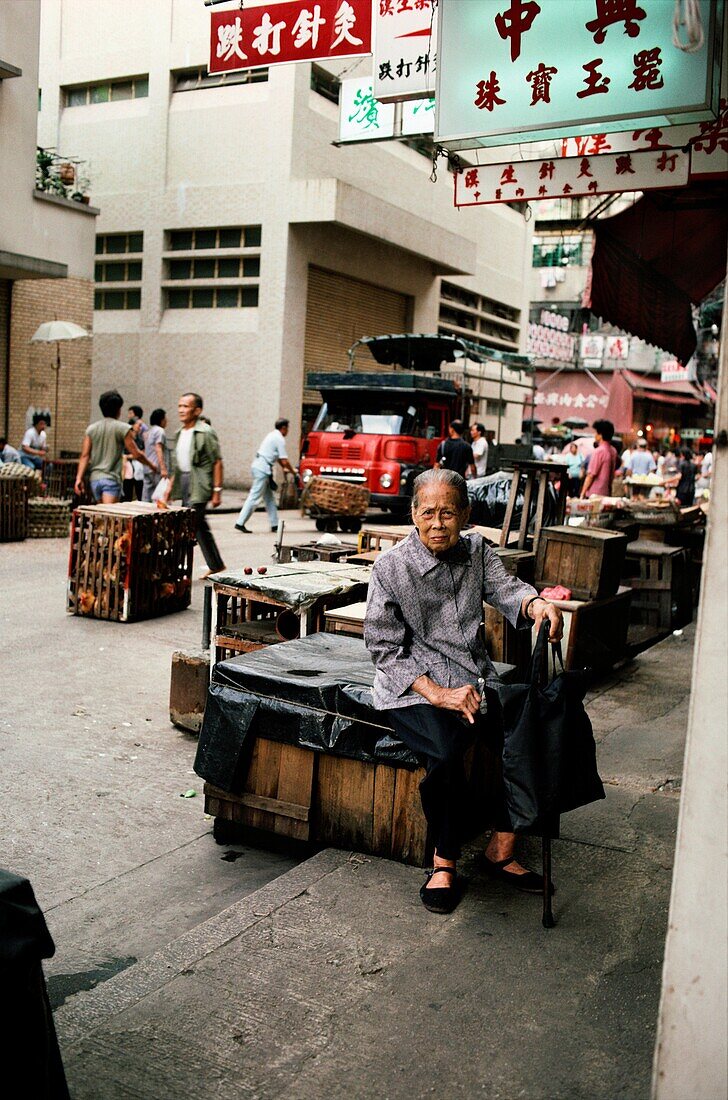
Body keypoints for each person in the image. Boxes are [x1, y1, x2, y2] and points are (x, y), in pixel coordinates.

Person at [364, 468, 563, 914]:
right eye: (429, 512)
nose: (438, 523)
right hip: (411, 687)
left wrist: (538, 605)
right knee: (446, 751)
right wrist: (436, 693)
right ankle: (444, 861)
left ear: (466, 515)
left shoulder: (477, 552)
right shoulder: (390, 567)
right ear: (413, 515)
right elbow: (383, 647)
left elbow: (508, 591)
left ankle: (502, 848)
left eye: (448, 512)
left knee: (533, 733)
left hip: (473, 679)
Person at [171, 392, 225, 576]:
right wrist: (169, 489)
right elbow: (178, 465)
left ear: (197, 410)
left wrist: (217, 490)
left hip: (200, 485)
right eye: (180, 406)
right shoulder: (179, 433)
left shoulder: (205, 432)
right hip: (185, 482)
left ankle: (173, 568)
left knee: (186, 526)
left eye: (186, 406)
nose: (181, 410)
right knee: (199, 527)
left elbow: (217, 461)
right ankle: (216, 565)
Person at [74, 390, 154, 504]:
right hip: (111, 479)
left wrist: (78, 478)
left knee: (101, 517)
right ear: (118, 409)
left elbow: (85, 455)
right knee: (109, 518)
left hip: (95, 479)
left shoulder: (91, 429)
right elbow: (136, 453)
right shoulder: (122, 428)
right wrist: (152, 466)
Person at [235, 418, 295, 534]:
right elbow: (284, 460)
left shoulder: (272, 435)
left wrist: (284, 468)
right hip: (262, 469)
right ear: (283, 428)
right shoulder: (279, 439)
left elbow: (277, 458)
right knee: (255, 496)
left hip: (261, 466)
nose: (288, 431)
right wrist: (294, 472)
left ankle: (275, 524)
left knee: (269, 498)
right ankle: (240, 522)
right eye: (287, 428)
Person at [580, 419, 617, 498]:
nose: (595, 435)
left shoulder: (599, 451)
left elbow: (591, 475)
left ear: (600, 435)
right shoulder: (613, 451)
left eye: (596, 432)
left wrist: (582, 493)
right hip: (606, 492)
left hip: (594, 493)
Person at [142, 408, 171, 502]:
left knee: (147, 497)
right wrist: (163, 468)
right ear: (161, 420)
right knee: (158, 496)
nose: (166, 421)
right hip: (157, 469)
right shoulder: (160, 431)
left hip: (147, 467)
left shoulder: (148, 432)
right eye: (165, 419)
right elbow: (158, 448)